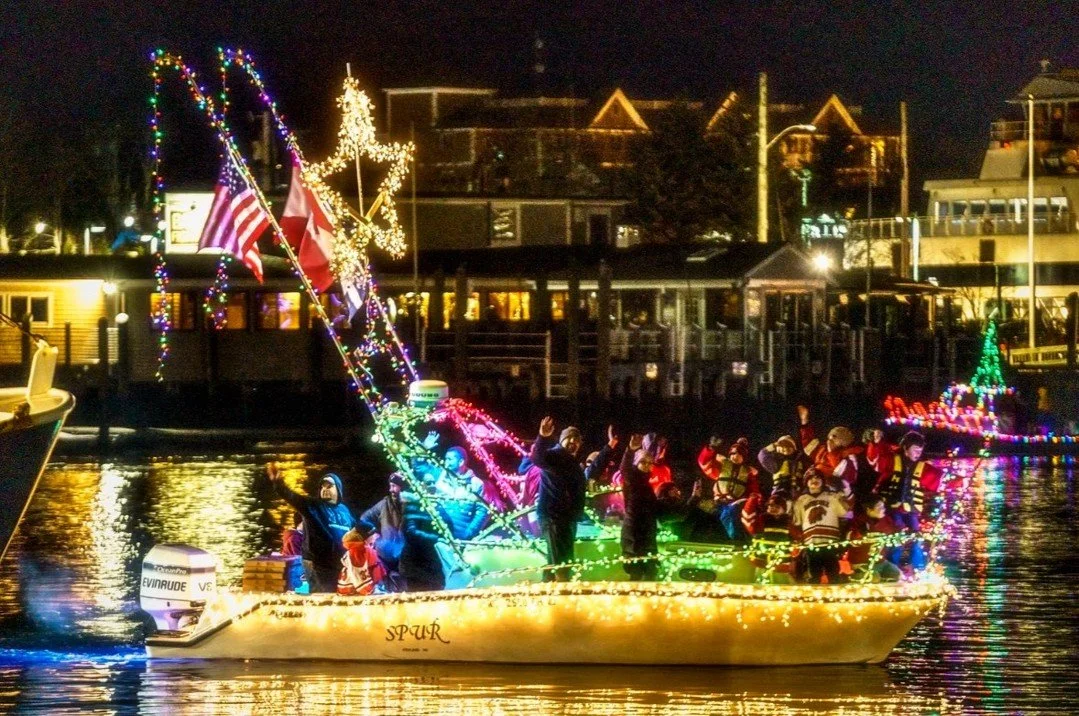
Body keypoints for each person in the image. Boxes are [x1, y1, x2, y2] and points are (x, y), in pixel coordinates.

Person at [267, 463, 356, 592]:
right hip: (318, 565)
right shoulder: (313, 506)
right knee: (323, 597)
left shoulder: (344, 510)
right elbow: (293, 498)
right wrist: (279, 484)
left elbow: (355, 529)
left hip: (340, 564)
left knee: (337, 596)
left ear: (338, 489)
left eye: (329, 486)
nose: (325, 489)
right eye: (322, 486)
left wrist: (370, 534)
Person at [530, 416, 588, 581]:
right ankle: (562, 594)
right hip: (553, 516)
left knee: (557, 558)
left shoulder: (573, 463)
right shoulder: (554, 456)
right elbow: (537, 458)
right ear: (562, 440)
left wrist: (608, 450)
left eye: (576, 439)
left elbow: (591, 473)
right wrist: (542, 437)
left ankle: (548, 588)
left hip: (567, 517)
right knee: (561, 562)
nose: (573, 441)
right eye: (569, 438)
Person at [874, 431, 941, 569]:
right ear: (905, 448)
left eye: (920, 450)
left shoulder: (923, 468)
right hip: (893, 508)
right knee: (896, 537)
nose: (918, 453)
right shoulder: (891, 460)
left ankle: (919, 568)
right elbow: (876, 460)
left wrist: (959, 481)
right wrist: (876, 443)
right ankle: (892, 567)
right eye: (915, 449)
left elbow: (939, 480)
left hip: (911, 510)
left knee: (917, 538)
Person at [790, 467, 849, 584]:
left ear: (823, 481)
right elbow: (797, 521)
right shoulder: (801, 500)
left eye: (817, 477)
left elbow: (845, 512)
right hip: (811, 543)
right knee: (814, 573)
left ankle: (836, 597)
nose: (814, 480)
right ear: (806, 482)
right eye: (810, 478)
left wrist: (842, 494)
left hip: (830, 541)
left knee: (833, 572)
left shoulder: (832, 497)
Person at [697, 437, 761, 541]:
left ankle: (735, 540)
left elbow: (754, 490)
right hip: (718, 501)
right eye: (733, 454)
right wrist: (711, 448)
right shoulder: (722, 467)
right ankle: (701, 539)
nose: (736, 456)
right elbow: (704, 463)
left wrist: (755, 499)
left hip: (735, 502)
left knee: (729, 513)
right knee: (701, 510)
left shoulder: (747, 473)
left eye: (739, 455)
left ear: (743, 458)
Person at [619, 434, 660, 581]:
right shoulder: (632, 480)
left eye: (650, 463)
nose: (647, 465)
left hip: (647, 531)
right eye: (643, 462)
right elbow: (625, 468)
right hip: (633, 530)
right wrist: (630, 450)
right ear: (636, 464)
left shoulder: (648, 485)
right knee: (636, 573)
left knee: (650, 572)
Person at [797, 405, 861, 496]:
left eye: (835, 437)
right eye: (830, 435)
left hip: (832, 487)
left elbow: (846, 475)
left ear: (843, 441)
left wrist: (832, 453)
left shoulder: (849, 455)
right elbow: (808, 444)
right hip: (814, 482)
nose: (830, 438)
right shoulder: (822, 449)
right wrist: (804, 421)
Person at [359, 472, 406, 588]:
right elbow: (364, 518)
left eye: (394, 486)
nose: (391, 489)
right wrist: (373, 534)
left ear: (403, 487)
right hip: (384, 556)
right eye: (390, 486)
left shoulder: (412, 505)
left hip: (405, 558)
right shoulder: (384, 504)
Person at [847, 495, 902, 582]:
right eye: (879, 507)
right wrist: (859, 533)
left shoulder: (886, 521)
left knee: (895, 574)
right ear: (869, 509)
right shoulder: (859, 521)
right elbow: (852, 539)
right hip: (862, 562)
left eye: (883, 506)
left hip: (881, 561)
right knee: (873, 578)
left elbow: (896, 533)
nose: (883, 509)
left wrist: (904, 533)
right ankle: (852, 577)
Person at [399, 490, 445, 592]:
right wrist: (435, 538)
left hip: (424, 562)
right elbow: (411, 533)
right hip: (417, 563)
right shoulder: (413, 510)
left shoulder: (428, 509)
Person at [337, 525, 386, 596]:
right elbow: (357, 571)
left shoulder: (364, 548)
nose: (376, 536)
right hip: (354, 590)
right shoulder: (357, 551)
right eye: (373, 534)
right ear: (366, 537)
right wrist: (368, 590)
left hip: (366, 588)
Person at [757, 435, 800, 499]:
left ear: (794, 449)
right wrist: (774, 445)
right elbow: (762, 454)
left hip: (796, 493)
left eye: (789, 446)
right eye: (783, 446)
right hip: (779, 491)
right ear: (777, 448)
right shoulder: (775, 462)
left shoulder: (799, 461)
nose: (785, 448)